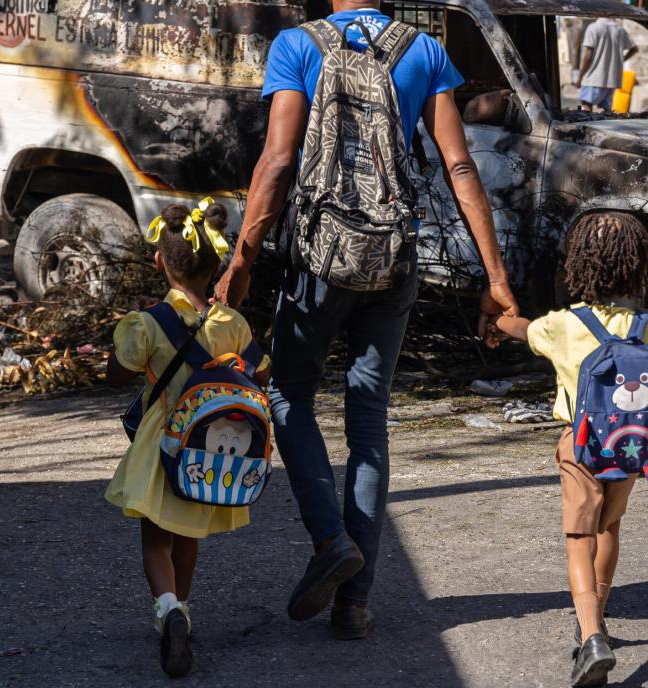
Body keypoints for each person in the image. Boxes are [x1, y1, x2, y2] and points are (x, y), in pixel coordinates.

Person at [213, 0, 519, 640]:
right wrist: (495, 280)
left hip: (323, 258)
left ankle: (330, 538)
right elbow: (459, 165)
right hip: (393, 254)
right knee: (368, 420)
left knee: (289, 394)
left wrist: (241, 260)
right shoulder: (423, 50)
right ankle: (354, 602)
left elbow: (277, 161)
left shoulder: (299, 45)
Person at [492, 213, 648, 687]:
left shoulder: (563, 325)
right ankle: (595, 612)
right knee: (609, 525)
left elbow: (522, 330)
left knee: (579, 535)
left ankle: (592, 634)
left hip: (580, 446)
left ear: (577, 265)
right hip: (631, 448)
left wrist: (498, 321)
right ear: (639, 268)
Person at [104, 202, 270, 678]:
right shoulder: (232, 323)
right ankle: (186, 608)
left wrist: (129, 337)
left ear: (160, 262)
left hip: (164, 444)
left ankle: (169, 609)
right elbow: (261, 370)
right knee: (189, 537)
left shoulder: (149, 322)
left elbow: (118, 376)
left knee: (156, 541)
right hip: (209, 448)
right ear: (216, 266)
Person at [573, 17, 637, 112]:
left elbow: (588, 55)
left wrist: (580, 77)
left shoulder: (593, 28)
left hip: (593, 79)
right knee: (606, 112)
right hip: (611, 80)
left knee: (586, 108)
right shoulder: (620, 30)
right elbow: (634, 49)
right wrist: (620, 60)